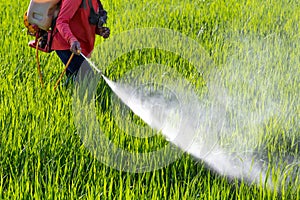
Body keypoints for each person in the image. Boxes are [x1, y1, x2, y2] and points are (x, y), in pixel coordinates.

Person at [51, 0, 110, 85]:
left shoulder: (94, 1)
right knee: (88, 79)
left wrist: (99, 31)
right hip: (67, 46)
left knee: (74, 81)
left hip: (79, 47)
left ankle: (64, 93)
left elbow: (84, 21)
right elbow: (61, 22)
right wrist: (72, 40)